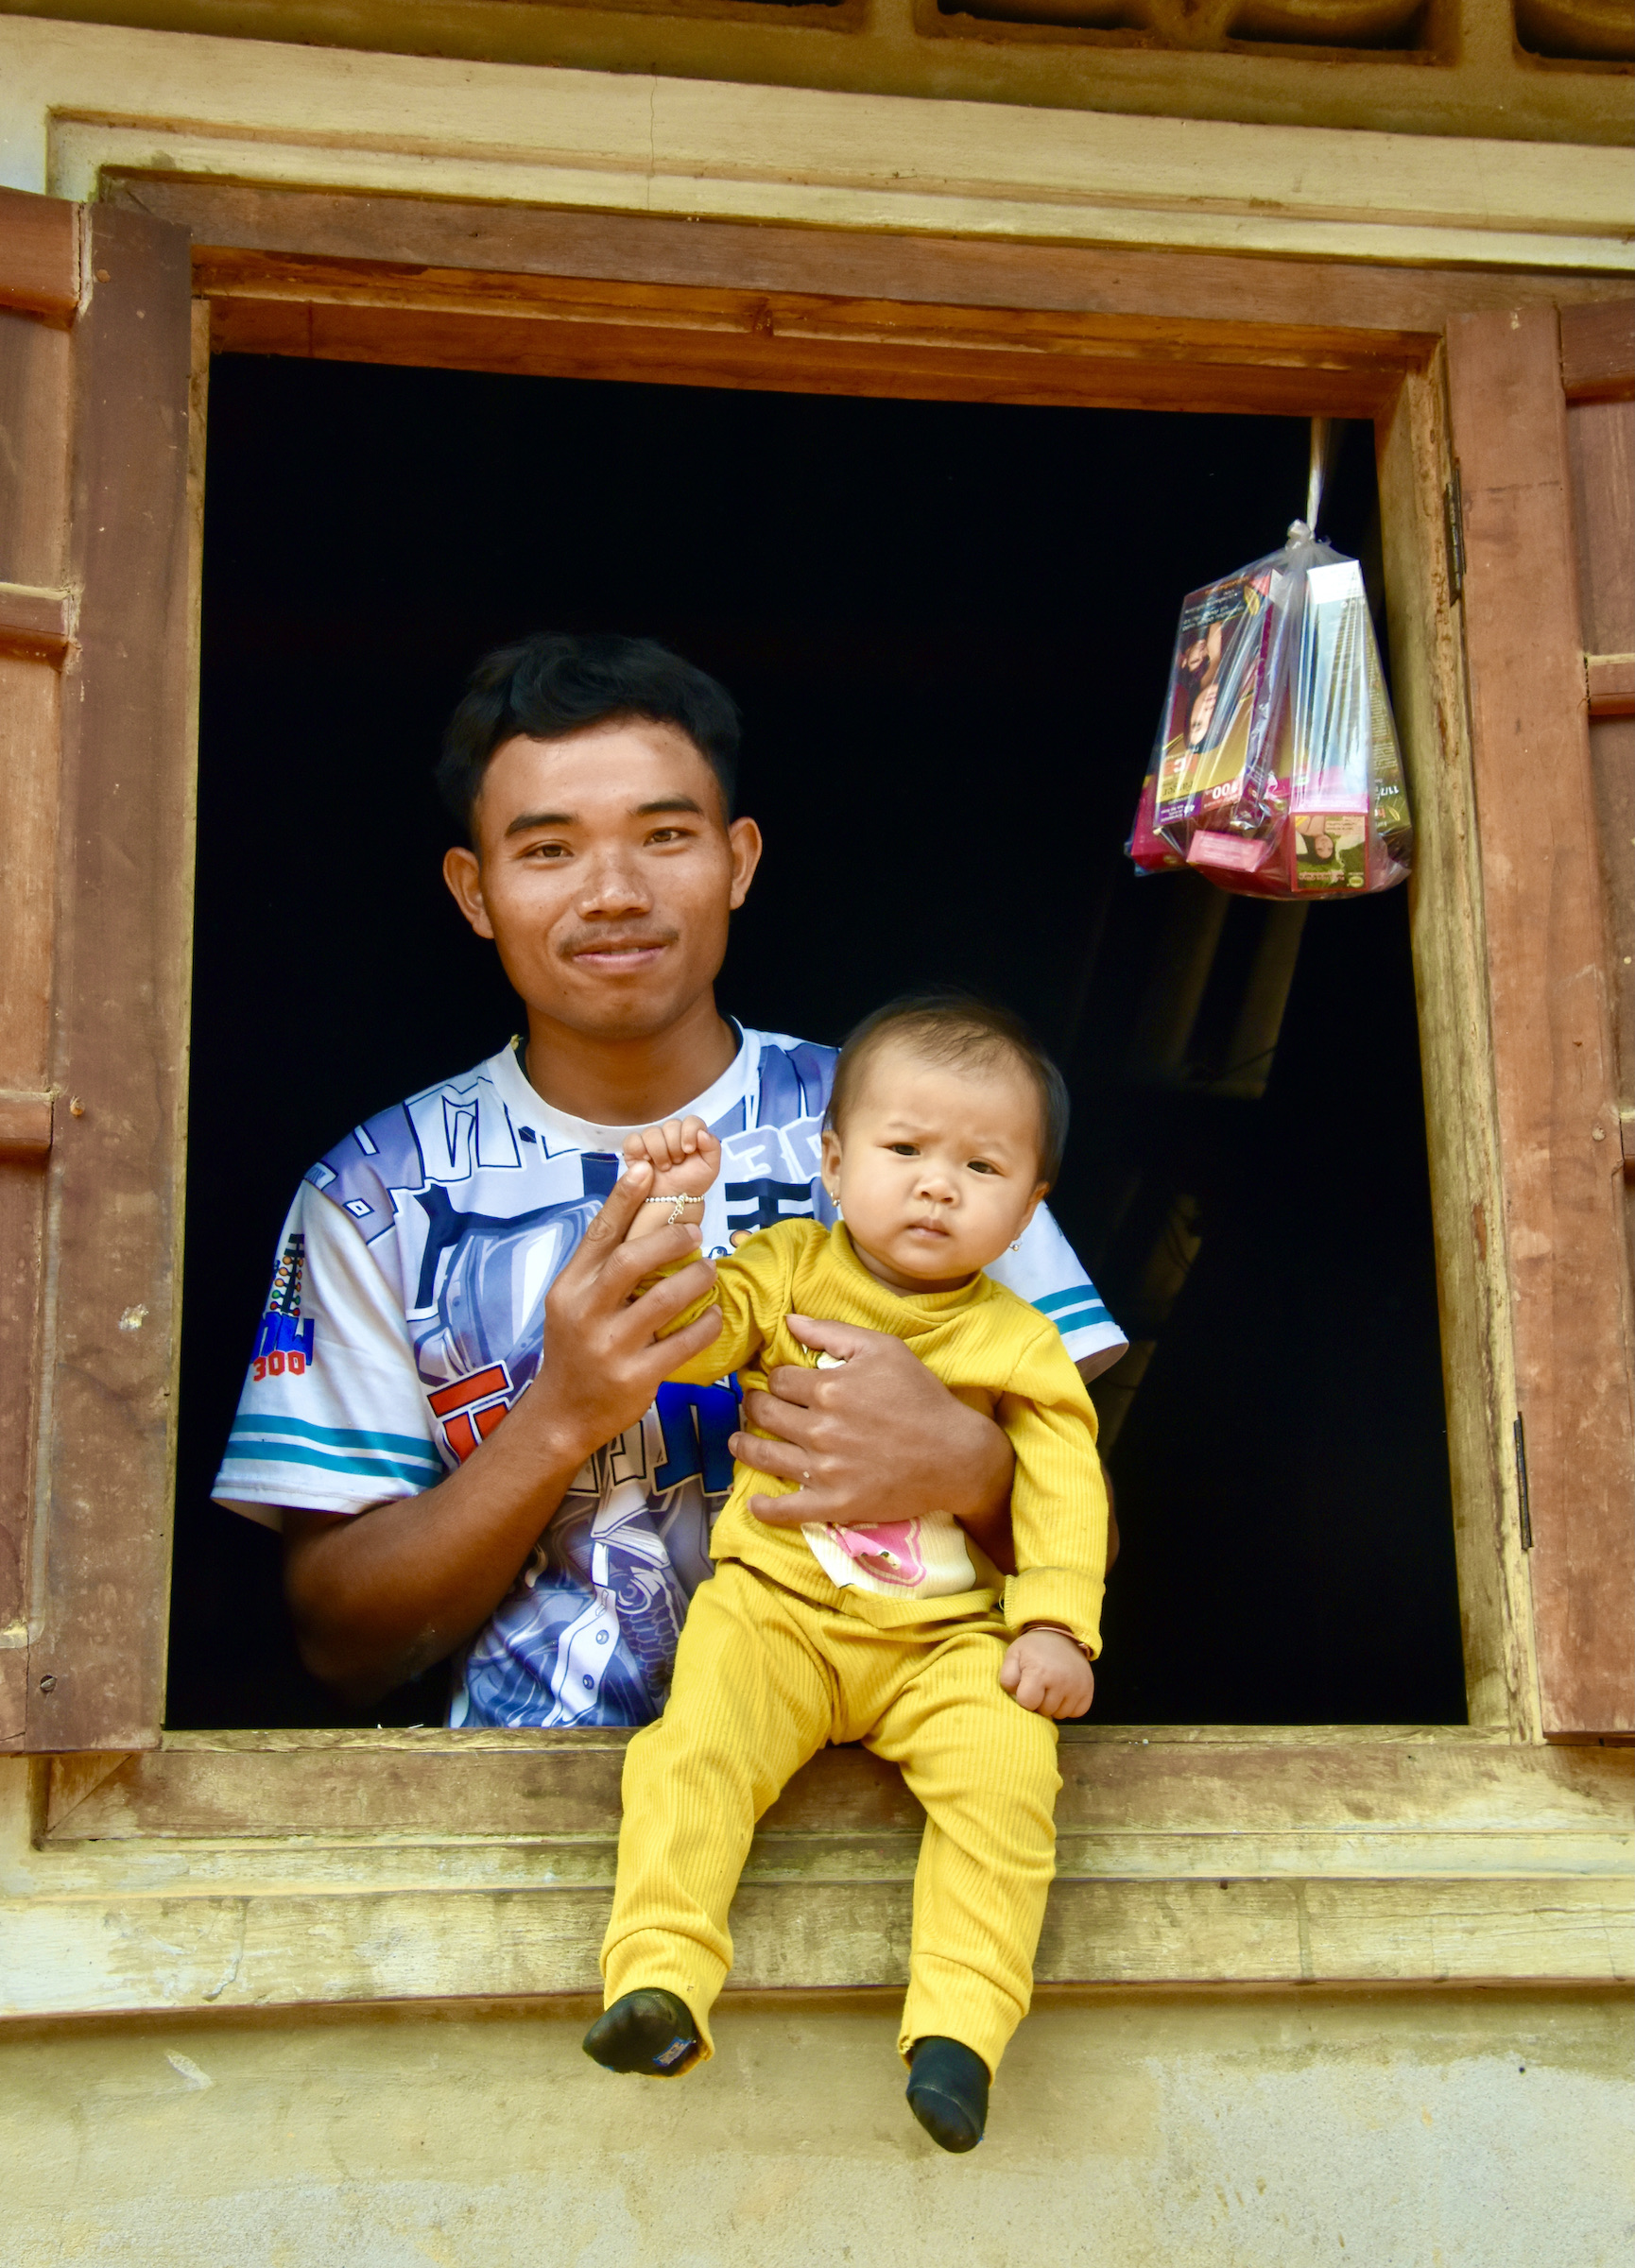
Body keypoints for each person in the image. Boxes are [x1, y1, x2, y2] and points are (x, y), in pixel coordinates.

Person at [212, 633, 1125, 1727]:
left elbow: (1097, 1547)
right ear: (473, 890)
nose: (613, 893)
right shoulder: (375, 1196)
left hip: (896, 1808)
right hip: (519, 1837)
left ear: (737, 861)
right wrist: (562, 1414)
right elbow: (337, 1645)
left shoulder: (915, 1131)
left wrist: (968, 1470)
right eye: (547, 851)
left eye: (663, 836)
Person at [584, 996, 1107, 2154]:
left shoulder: (1020, 1340)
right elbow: (701, 1333)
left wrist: (1056, 1629)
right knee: (692, 1747)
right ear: (830, 1159)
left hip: (943, 1644)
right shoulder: (788, 1267)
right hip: (778, 1615)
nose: (935, 1186)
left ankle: (960, 2036)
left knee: (1009, 1780)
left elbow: (1066, 1492)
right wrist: (674, 1217)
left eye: (981, 1166)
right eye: (903, 1150)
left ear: (1031, 1205)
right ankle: (657, 1980)